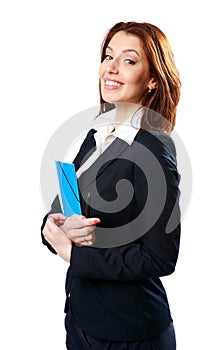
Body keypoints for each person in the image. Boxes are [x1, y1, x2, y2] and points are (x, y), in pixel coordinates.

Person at [41, 21, 181, 350]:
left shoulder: (153, 151)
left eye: (129, 60)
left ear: (152, 81)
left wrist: (75, 256)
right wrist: (51, 225)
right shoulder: (95, 137)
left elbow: (162, 257)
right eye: (108, 56)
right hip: (81, 320)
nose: (112, 68)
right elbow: (66, 205)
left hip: (130, 333)